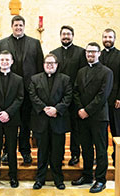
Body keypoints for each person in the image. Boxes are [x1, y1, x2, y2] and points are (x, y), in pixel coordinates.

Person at [0, 15, 44, 164]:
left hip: (29, 90)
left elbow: (40, 66)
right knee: (8, 122)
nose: (18, 28)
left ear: (24, 26)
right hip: (7, 90)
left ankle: (25, 151)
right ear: (12, 26)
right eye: (16, 25)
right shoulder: (1, 43)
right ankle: (7, 151)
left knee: (26, 123)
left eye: (21, 25)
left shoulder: (34, 43)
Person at [71, 42, 113, 193]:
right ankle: (87, 175)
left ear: (99, 53)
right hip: (83, 117)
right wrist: (80, 109)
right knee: (86, 148)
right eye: (88, 52)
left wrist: (87, 110)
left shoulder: (107, 72)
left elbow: (103, 95)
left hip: (98, 117)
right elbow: (75, 91)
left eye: (93, 52)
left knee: (100, 150)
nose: (90, 55)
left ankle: (101, 180)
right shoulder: (81, 71)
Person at [29, 54, 72, 190]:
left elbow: (68, 97)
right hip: (41, 121)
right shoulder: (35, 79)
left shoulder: (65, 79)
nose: (50, 65)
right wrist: (44, 108)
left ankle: (58, 179)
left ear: (57, 65)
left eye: (52, 63)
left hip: (58, 121)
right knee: (42, 152)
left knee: (57, 152)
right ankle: (39, 179)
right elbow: (33, 95)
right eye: (47, 63)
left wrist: (56, 109)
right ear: (43, 64)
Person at [0, 50, 24, 188]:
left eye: (7, 60)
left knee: (12, 148)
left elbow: (20, 98)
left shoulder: (19, 79)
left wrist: (8, 113)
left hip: (12, 119)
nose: (5, 62)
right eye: (2, 60)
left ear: (12, 62)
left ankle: (13, 176)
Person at [50, 25, 87, 166]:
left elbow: (83, 75)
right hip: (58, 98)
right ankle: (57, 155)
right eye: (63, 34)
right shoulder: (54, 53)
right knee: (58, 128)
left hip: (75, 96)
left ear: (73, 36)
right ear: (60, 36)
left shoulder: (81, 52)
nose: (66, 36)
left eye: (68, 34)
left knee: (76, 128)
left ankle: (75, 154)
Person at [99, 28, 120, 166]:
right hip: (100, 101)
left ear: (114, 39)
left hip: (115, 100)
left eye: (110, 37)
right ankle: (101, 156)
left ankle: (117, 157)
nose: (107, 39)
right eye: (105, 37)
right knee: (100, 131)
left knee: (116, 129)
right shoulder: (98, 55)